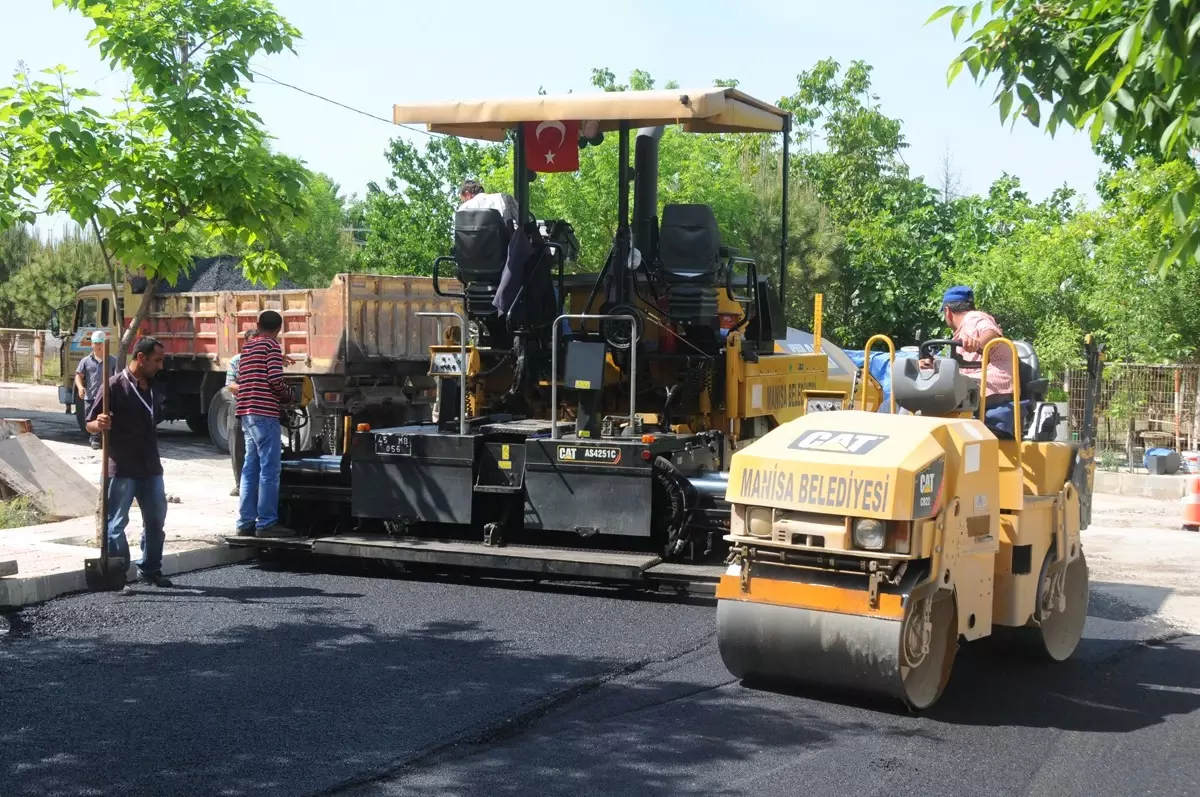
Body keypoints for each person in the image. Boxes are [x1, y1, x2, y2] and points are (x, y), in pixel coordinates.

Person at [85, 336, 173, 587]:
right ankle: (119, 573)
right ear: (141, 358)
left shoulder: (154, 387)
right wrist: (98, 424)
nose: (160, 366)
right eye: (157, 360)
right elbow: (90, 424)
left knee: (156, 520)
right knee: (116, 523)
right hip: (122, 467)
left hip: (151, 466)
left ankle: (150, 569)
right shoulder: (113, 386)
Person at [236, 310, 296, 537]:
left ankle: (245, 522)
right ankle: (267, 523)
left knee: (250, 469)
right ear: (279, 329)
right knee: (270, 470)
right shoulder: (272, 346)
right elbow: (274, 379)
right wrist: (289, 395)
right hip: (264, 413)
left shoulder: (248, 347)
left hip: (246, 413)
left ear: (258, 324)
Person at [938, 285, 1018, 438]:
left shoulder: (973, 318)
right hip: (976, 382)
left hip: (994, 383)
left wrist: (978, 342)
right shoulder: (959, 334)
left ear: (947, 311)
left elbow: (992, 331)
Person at [225, 329, 257, 497]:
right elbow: (230, 385)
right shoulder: (236, 361)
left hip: (259, 406)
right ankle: (240, 484)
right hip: (239, 404)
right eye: (252, 342)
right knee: (237, 446)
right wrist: (251, 388)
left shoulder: (268, 360)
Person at [75, 331, 118, 450]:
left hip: (106, 396)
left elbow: (117, 377)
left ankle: (101, 439)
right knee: (91, 418)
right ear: (92, 344)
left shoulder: (113, 361)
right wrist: (80, 387)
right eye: (96, 343)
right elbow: (79, 375)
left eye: (101, 343)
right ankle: (95, 438)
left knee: (106, 417)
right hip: (91, 396)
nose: (98, 346)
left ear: (105, 344)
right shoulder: (85, 361)